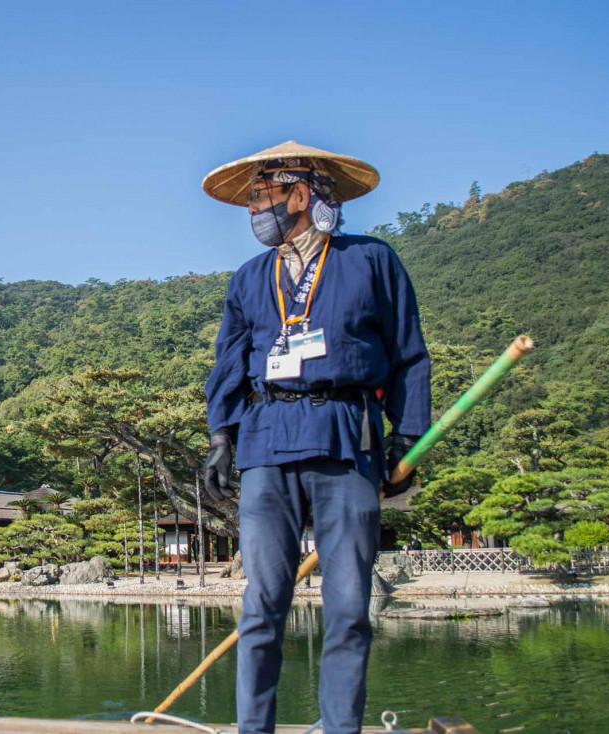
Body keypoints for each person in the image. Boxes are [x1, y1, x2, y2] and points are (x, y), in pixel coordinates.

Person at [201, 141, 430, 734]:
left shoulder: (371, 261)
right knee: (261, 606)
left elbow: (408, 356)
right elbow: (230, 362)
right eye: (252, 197)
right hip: (266, 441)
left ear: (301, 194)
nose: (254, 208)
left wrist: (407, 437)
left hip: (345, 439)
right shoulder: (250, 279)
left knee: (350, 609)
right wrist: (221, 435)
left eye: (263, 195)